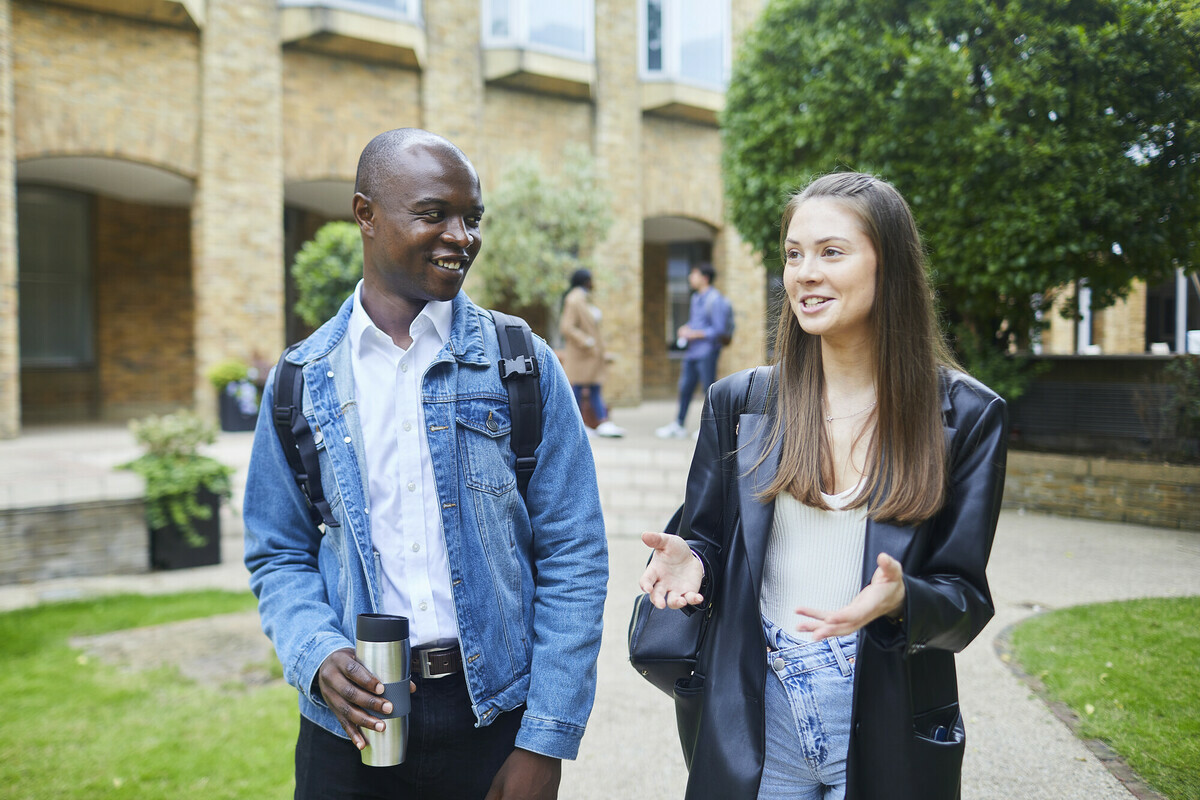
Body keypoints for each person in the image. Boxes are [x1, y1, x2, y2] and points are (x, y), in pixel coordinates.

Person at [243, 128, 608, 800]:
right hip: (347, 726)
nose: (462, 236)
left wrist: (543, 739)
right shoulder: (304, 379)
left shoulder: (519, 362)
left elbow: (575, 553)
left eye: (473, 218)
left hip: (494, 718)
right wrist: (317, 654)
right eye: (435, 214)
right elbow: (277, 553)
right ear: (365, 214)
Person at [638, 173, 1008, 800]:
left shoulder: (967, 416)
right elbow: (708, 540)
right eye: (793, 253)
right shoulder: (742, 402)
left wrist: (899, 602)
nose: (805, 272)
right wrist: (692, 559)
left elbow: (964, 602)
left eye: (831, 252)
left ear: (888, 266)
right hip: (761, 700)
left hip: (882, 705)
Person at [656, 263, 728, 439]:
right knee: (685, 388)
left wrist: (694, 334)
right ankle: (678, 424)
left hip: (707, 352)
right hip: (691, 353)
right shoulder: (696, 298)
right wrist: (685, 328)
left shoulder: (715, 300)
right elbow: (697, 323)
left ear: (704, 278)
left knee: (708, 390)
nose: (690, 278)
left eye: (693, 274)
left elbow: (718, 330)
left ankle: (710, 429)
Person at [559, 268, 624, 438]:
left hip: (590, 356)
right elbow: (567, 327)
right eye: (590, 279)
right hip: (582, 355)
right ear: (585, 280)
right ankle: (579, 424)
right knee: (579, 388)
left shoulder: (583, 298)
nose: (593, 283)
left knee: (594, 387)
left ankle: (602, 422)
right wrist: (586, 341)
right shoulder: (574, 300)